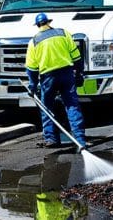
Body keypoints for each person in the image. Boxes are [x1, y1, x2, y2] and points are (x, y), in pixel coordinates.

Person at [25, 13, 87, 148]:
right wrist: (79, 74)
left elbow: (32, 68)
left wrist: (32, 85)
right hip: (67, 74)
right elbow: (76, 57)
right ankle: (80, 140)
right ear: (48, 22)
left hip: (48, 77)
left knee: (47, 108)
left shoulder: (34, 41)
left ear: (38, 26)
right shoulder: (63, 34)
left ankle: (51, 138)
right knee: (72, 106)